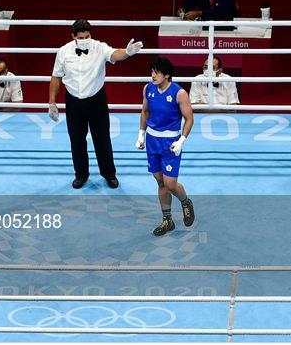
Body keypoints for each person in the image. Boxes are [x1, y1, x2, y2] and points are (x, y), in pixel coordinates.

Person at [48, 19, 143, 189]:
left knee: (102, 139)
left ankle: (109, 174)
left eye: (87, 36)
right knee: (76, 140)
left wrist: (127, 52)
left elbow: (114, 54)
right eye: (81, 37)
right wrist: (52, 102)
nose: (85, 39)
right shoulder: (63, 52)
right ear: (73, 36)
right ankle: (81, 174)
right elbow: (56, 77)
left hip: (96, 100)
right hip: (73, 101)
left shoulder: (99, 47)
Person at [135, 57, 195, 236]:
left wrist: (181, 141)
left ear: (167, 75)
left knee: (170, 183)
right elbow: (145, 111)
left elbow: (189, 119)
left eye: (156, 72)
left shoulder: (179, 93)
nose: (152, 75)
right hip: (152, 141)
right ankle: (167, 220)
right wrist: (141, 134)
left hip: (170, 143)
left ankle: (185, 202)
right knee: (159, 180)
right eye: (151, 71)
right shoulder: (148, 88)